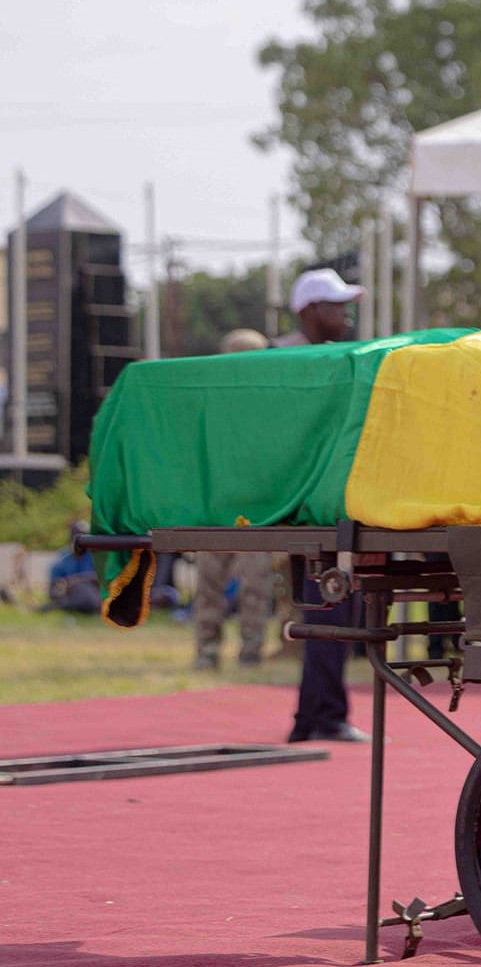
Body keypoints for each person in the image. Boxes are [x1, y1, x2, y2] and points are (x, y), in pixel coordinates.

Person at [280, 270, 369, 743]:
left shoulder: (343, 359)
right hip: (301, 503)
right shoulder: (280, 360)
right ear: (309, 310)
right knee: (328, 606)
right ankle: (320, 715)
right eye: (336, 304)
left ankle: (316, 716)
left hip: (333, 499)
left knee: (334, 605)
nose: (346, 312)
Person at [191, 329, 276, 670]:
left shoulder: (268, 403)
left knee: (255, 584)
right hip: (219, 504)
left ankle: (251, 651)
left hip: (254, 505)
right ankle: (207, 650)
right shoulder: (212, 401)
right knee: (210, 583)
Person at [273, 268, 360, 347]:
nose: (347, 312)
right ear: (311, 309)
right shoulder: (274, 356)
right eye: (338, 304)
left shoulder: (335, 356)